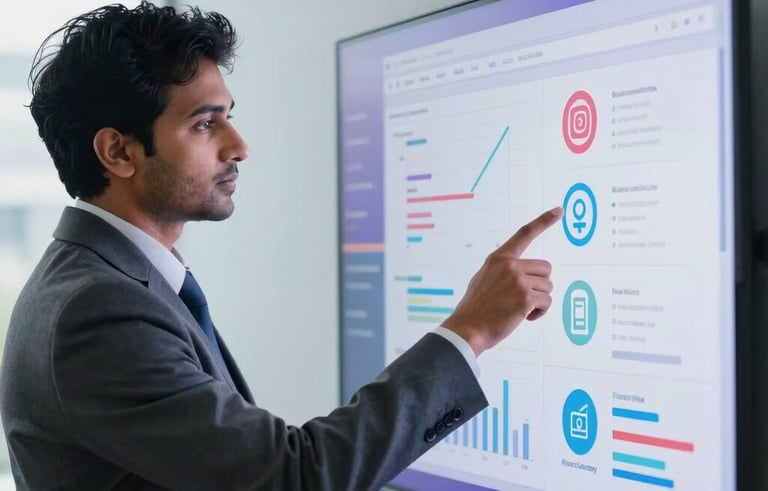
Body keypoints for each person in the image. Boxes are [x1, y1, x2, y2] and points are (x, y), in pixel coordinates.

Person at [0, 2, 562, 490]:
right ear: (118, 153)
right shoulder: (95, 311)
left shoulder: (106, 282)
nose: (238, 146)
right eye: (204, 124)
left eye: (230, 118)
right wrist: (471, 331)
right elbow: (292, 479)